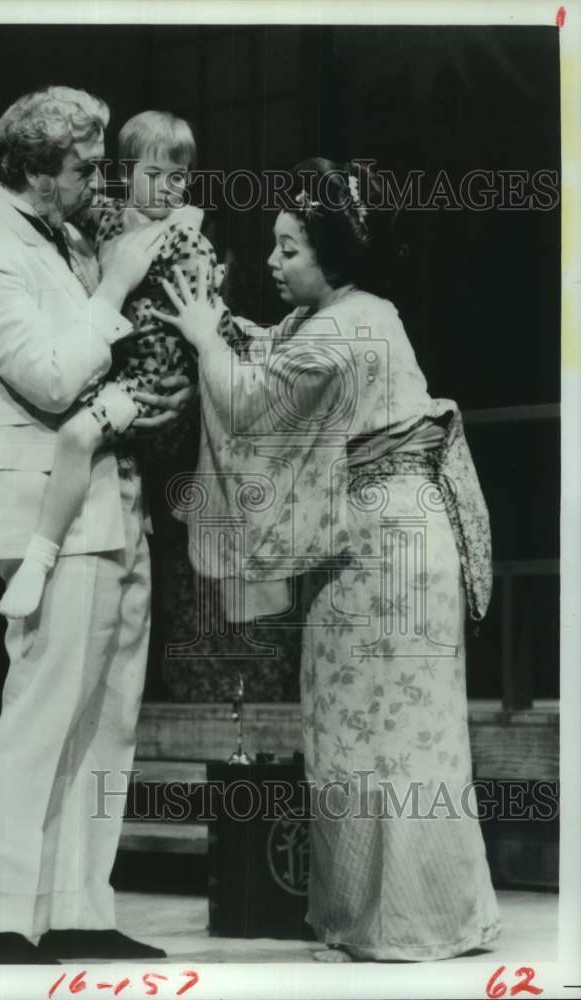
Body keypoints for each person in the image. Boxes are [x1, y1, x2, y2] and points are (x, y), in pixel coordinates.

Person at [154, 157, 502, 961]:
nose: (272, 263)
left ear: (332, 255)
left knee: (368, 728)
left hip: (377, 547)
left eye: (288, 249)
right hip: (400, 536)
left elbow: (248, 401)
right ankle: (421, 915)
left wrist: (203, 336)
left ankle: (400, 922)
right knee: (402, 729)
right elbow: (268, 350)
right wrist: (222, 325)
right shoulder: (360, 313)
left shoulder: (337, 330)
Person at [0, 85, 192, 965]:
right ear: (37, 171)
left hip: (117, 501)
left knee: (110, 716)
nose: (99, 179)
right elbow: (50, 378)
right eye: (84, 166)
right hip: (50, 510)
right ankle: (2, 920)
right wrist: (116, 282)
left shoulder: (74, 236)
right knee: (41, 712)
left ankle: (81, 906)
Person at [0, 109, 234, 620]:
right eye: (154, 174)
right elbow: (55, 200)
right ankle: (44, 559)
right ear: (126, 174)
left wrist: (199, 377)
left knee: (77, 437)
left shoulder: (185, 241)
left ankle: (39, 558)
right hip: (113, 371)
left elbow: (216, 322)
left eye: (179, 177)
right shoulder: (106, 218)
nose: (168, 188)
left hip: (152, 381)